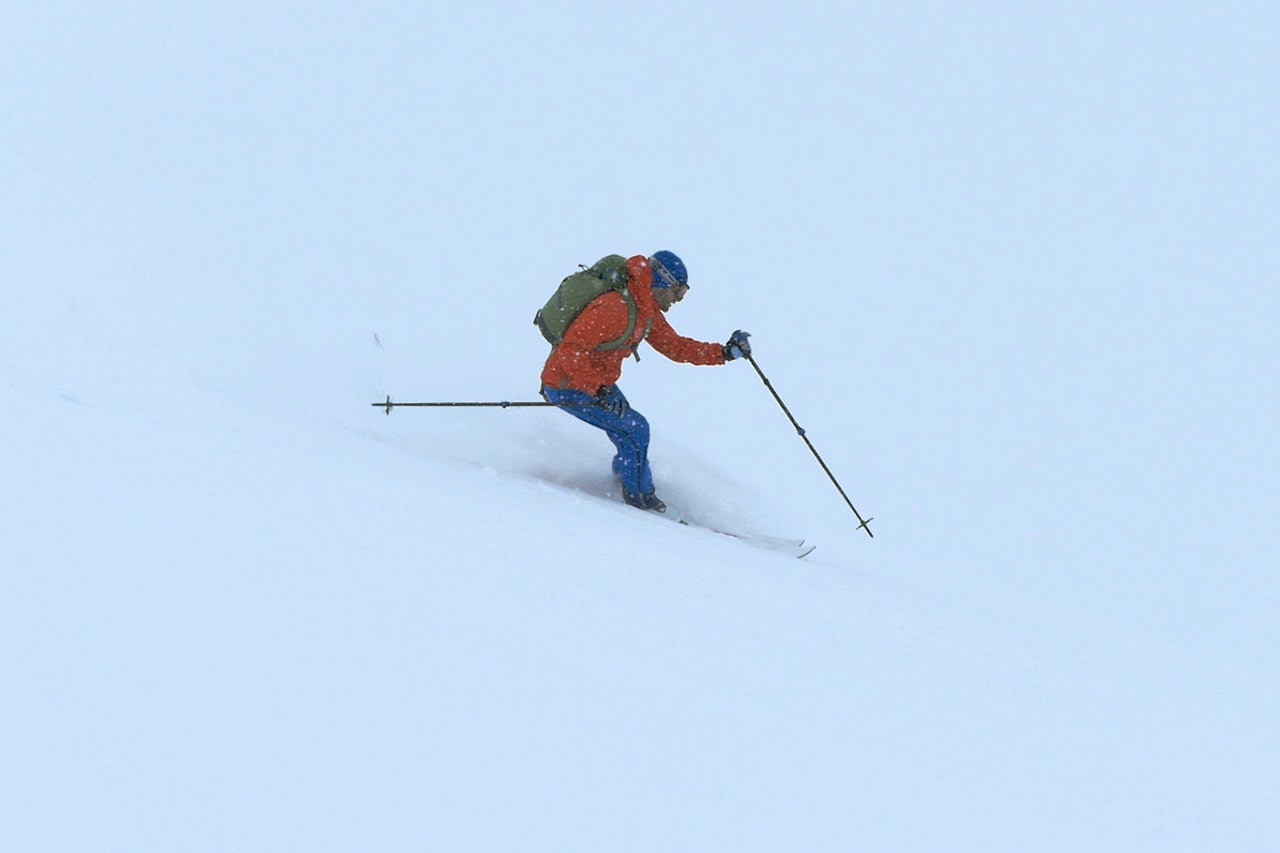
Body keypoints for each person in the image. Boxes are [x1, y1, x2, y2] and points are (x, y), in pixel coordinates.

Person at [540, 250, 751, 512]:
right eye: (677, 291)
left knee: (629, 432)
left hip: (598, 385)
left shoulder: (644, 309)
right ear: (661, 281)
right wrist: (595, 388)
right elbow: (570, 351)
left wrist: (724, 353)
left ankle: (625, 478)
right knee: (636, 429)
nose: (678, 299)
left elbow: (675, 347)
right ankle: (640, 501)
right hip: (568, 385)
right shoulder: (615, 307)